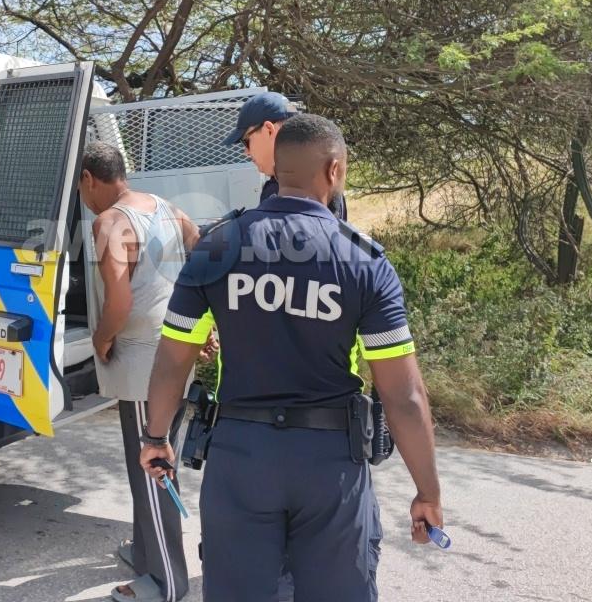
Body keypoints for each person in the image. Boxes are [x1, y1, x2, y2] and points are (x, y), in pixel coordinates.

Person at [139, 114, 444, 601]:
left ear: (277, 168)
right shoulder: (365, 262)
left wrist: (157, 437)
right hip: (331, 464)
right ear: (334, 169)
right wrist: (427, 492)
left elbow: (173, 359)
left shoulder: (218, 245)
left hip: (239, 458)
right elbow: (403, 396)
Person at [80, 141, 199, 602]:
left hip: (142, 362)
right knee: (148, 459)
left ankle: (166, 581)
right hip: (175, 353)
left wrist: (100, 339)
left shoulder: (110, 222)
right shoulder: (165, 208)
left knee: (153, 464)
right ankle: (146, 552)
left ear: (89, 179)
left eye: (81, 188)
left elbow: (120, 301)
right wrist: (200, 322)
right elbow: (202, 257)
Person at [225, 91, 348, 220]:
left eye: (246, 141)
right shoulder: (323, 178)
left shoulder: (286, 188)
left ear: (269, 130)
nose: (246, 152)